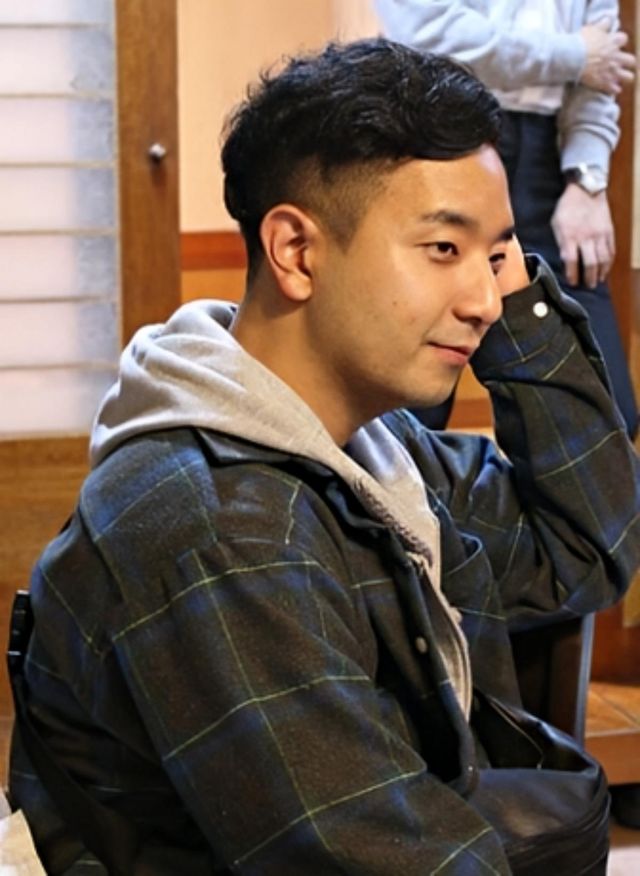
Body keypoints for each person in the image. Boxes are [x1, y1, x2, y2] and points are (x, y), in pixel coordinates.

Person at [7, 39, 640, 874]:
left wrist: (519, 301)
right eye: (443, 249)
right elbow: (377, 858)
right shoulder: (220, 524)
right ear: (297, 252)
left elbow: (584, 549)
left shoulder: (370, 449)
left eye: (496, 257)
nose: (488, 300)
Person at [376, 0, 638, 437]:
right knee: (403, 414)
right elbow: (429, 33)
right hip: (436, 139)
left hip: (550, 163)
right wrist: (574, 55)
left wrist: (587, 180)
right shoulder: (572, 54)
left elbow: (604, 65)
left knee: (607, 416)